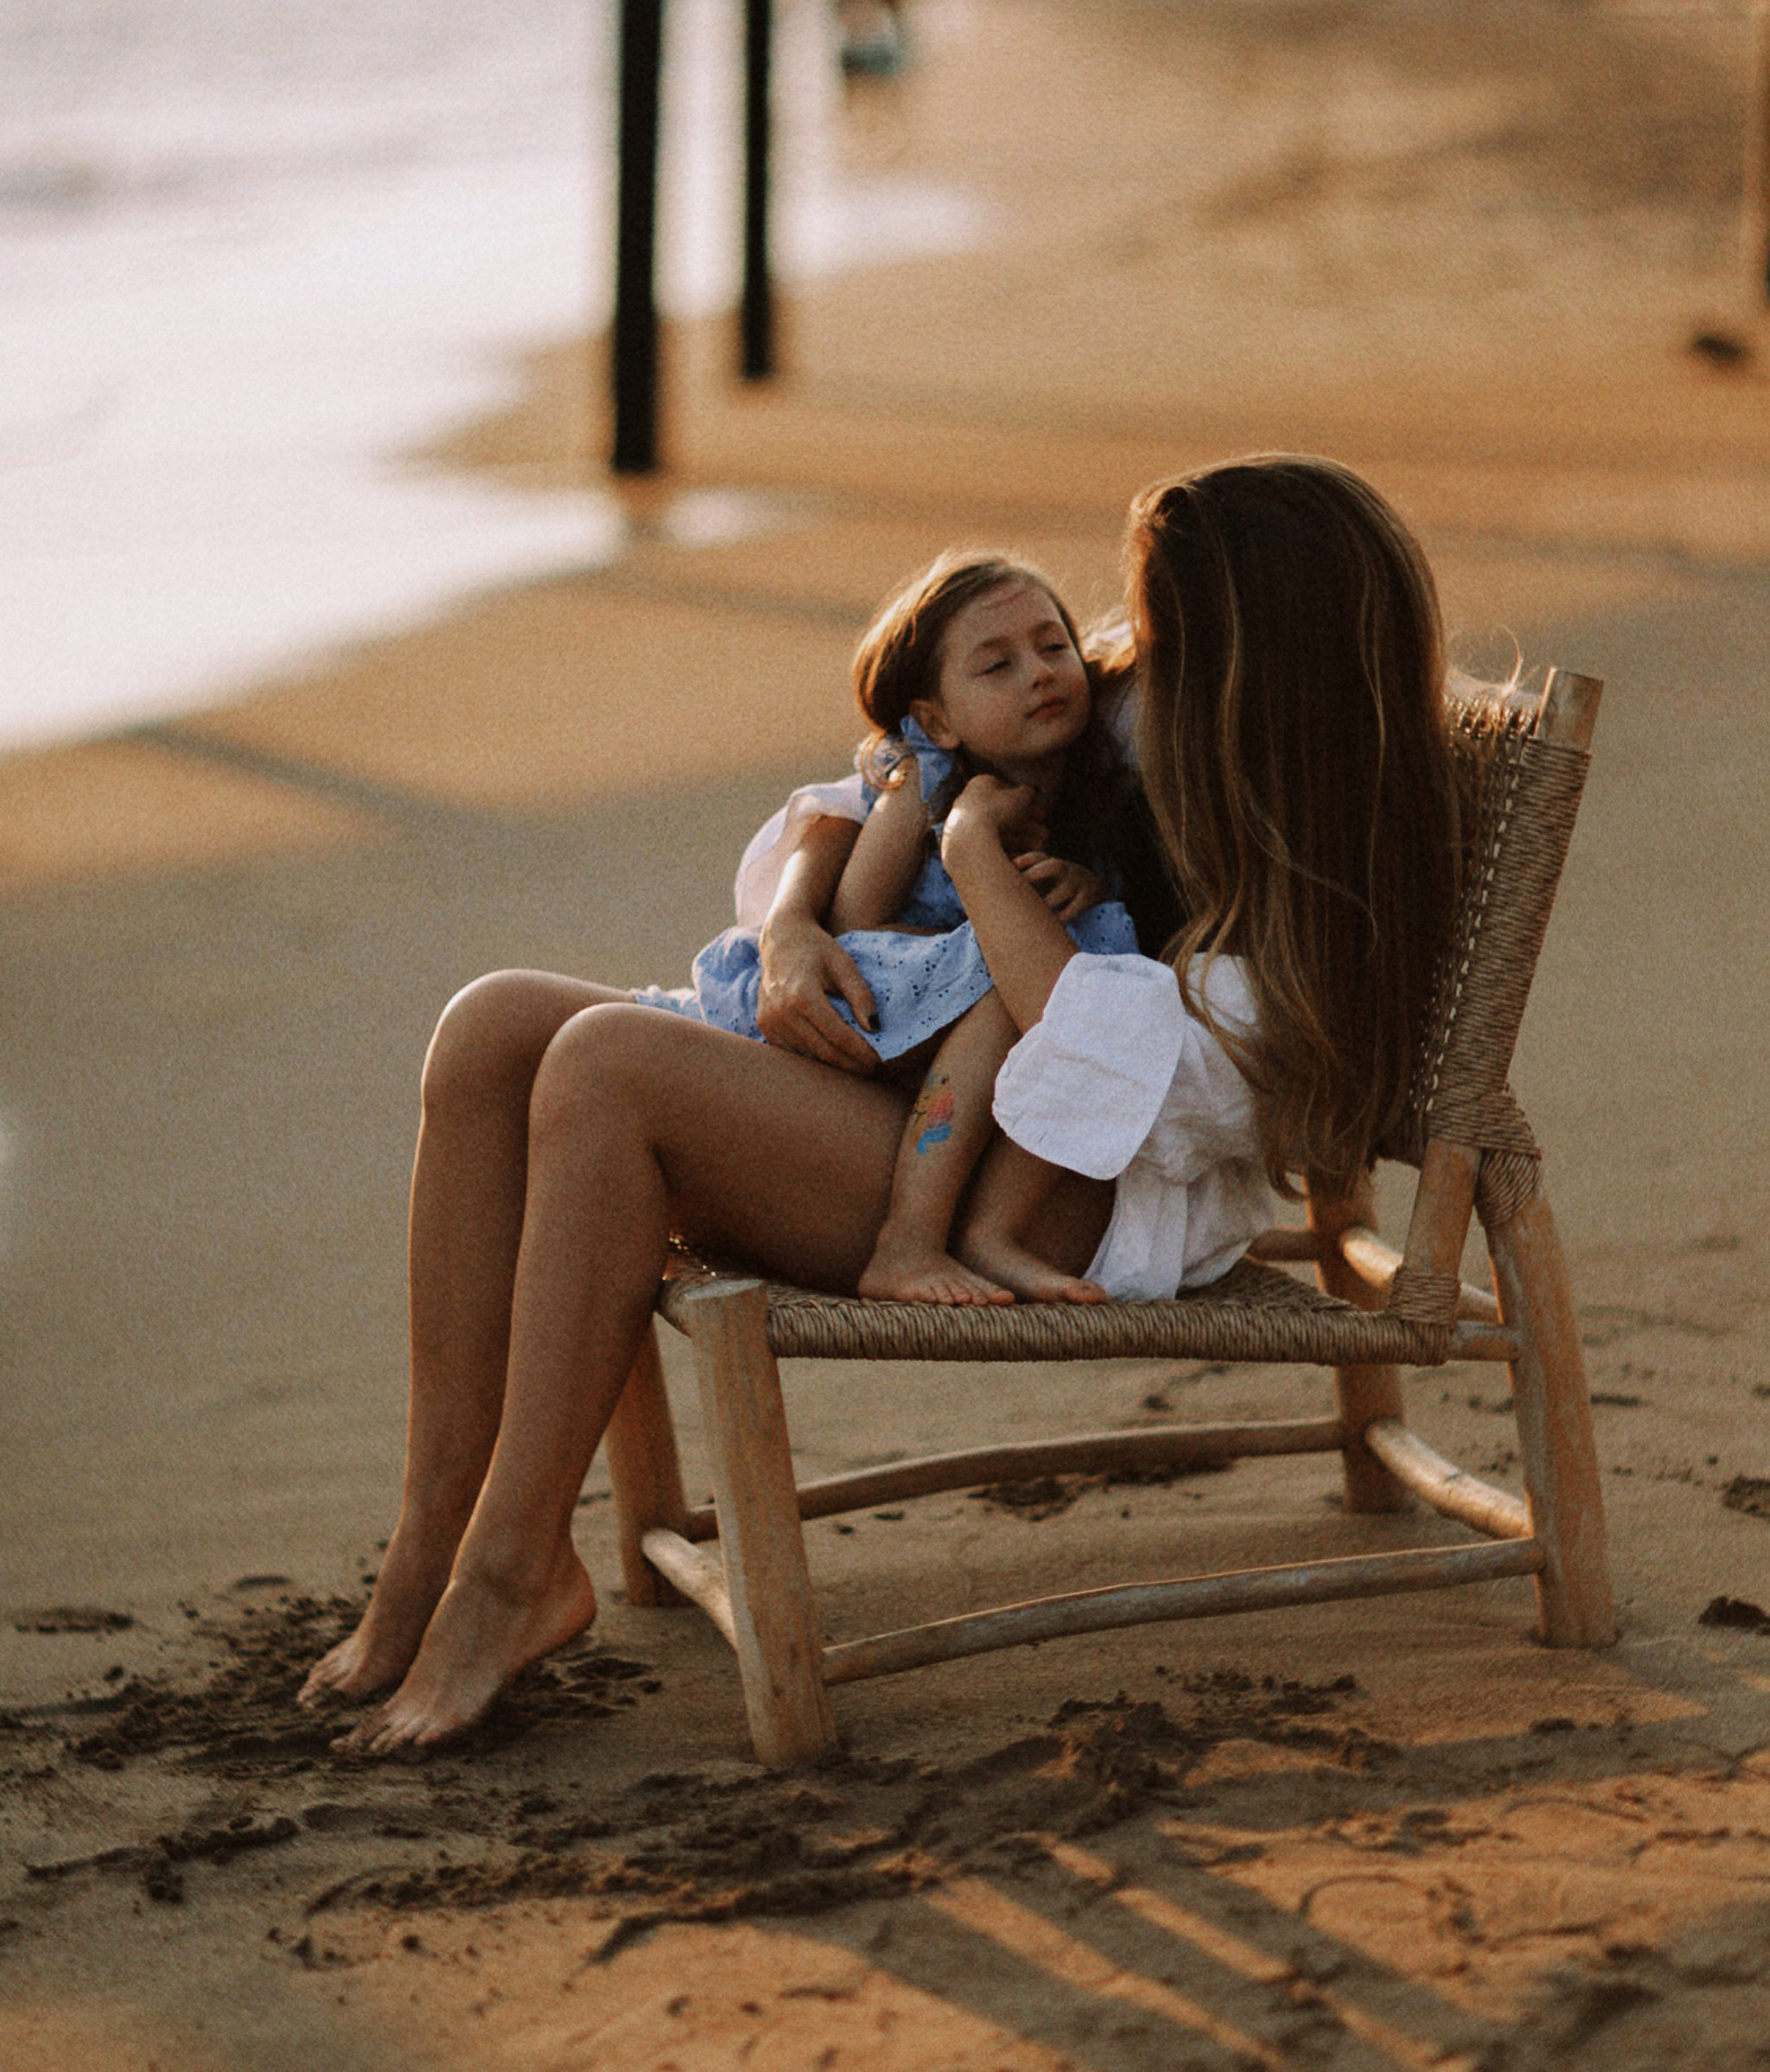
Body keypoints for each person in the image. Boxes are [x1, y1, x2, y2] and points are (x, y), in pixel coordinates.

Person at [298, 455, 1461, 1752]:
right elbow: (861, 793)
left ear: (1254, 658)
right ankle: (426, 1556)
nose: (1123, 652)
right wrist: (796, 928)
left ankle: (512, 1579)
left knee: (605, 1066)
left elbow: (1123, 1073)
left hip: (1062, 1187)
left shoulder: (1315, 885)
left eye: (1167, 623)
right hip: (933, 1108)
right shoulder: (1133, 706)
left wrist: (973, 858)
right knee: (496, 1026)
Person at [634, 552, 1140, 1305]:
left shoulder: (1100, 787)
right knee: (1012, 983)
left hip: (978, 1041)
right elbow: (857, 917)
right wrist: (958, 836)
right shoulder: (924, 780)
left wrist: (1084, 884)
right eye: (996, 666)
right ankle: (909, 1240)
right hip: (880, 995)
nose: (1038, 673)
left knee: (1090, 966)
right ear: (936, 717)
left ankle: (990, 1232)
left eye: (1053, 647)